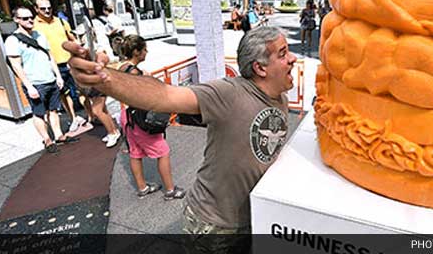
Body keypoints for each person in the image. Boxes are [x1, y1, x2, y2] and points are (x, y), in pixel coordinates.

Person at [63, 26, 296, 251]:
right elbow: (165, 96)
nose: (293, 59)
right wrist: (104, 79)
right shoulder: (230, 93)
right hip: (212, 227)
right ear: (260, 68)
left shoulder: (280, 99)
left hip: (253, 220)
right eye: (283, 54)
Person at [118, 35, 185, 200]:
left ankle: (142, 187)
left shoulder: (122, 67)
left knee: (135, 152)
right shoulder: (135, 72)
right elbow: (147, 94)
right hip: (140, 119)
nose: (146, 52)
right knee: (163, 152)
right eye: (144, 49)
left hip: (127, 116)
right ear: (136, 51)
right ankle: (170, 190)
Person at [5, 7, 78, 153]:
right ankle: (47, 139)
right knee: (39, 113)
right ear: (16, 20)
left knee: (54, 110)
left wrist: (57, 76)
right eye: (25, 18)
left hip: (50, 80)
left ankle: (59, 135)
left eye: (31, 17)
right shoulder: (12, 41)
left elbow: (50, 57)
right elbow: (16, 66)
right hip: (35, 83)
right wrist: (29, 86)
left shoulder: (39, 35)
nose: (30, 20)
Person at [32, 0, 88, 132]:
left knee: (83, 89)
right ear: (36, 9)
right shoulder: (34, 26)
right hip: (54, 65)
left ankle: (91, 115)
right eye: (43, 8)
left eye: (49, 8)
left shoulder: (61, 21)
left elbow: (72, 39)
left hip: (71, 62)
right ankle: (73, 118)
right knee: (64, 94)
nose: (47, 11)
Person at [89, 4, 122, 148]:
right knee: (101, 108)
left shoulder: (99, 44)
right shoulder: (92, 41)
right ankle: (112, 130)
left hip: (100, 77)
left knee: (97, 110)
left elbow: (104, 58)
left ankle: (113, 132)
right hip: (95, 77)